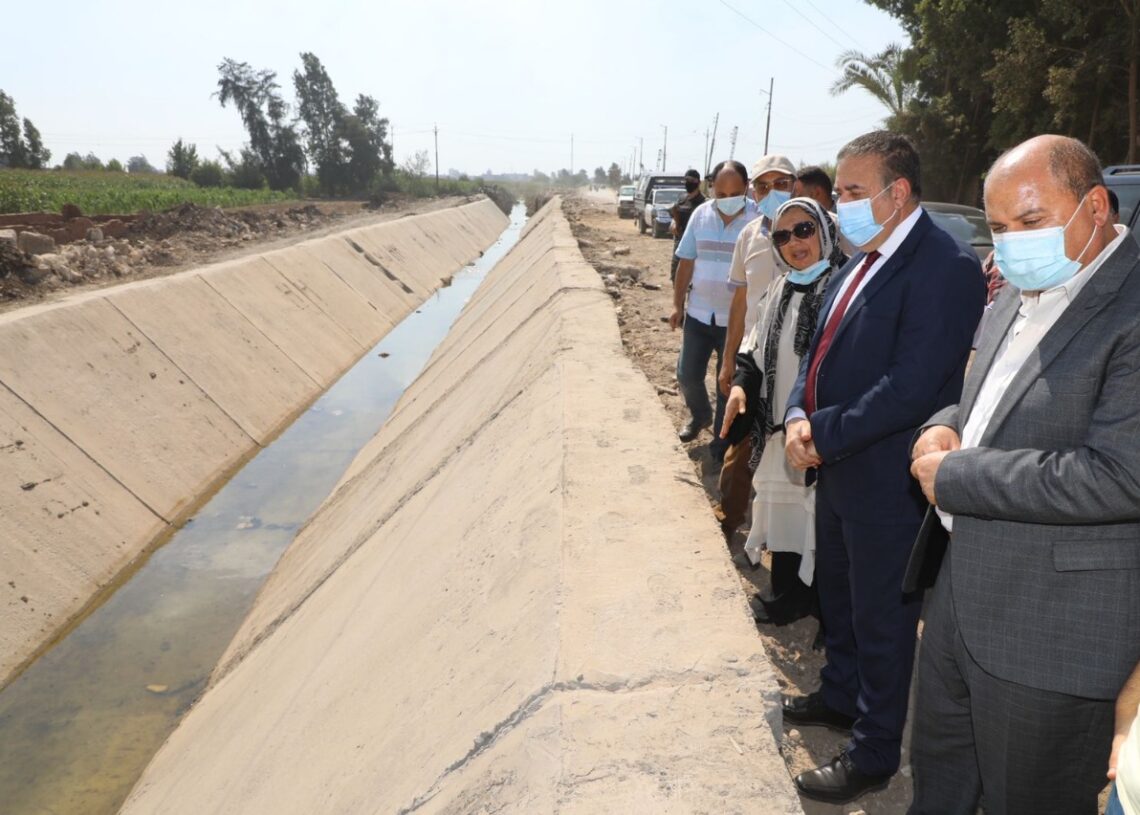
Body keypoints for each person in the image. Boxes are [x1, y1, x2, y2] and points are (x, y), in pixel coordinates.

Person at [907, 134, 1140, 815]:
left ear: (1094, 206)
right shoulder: (1018, 286)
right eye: (1000, 228)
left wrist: (958, 475)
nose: (1010, 244)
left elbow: (1120, 474)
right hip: (960, 604)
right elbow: (990, 400)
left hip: (1052, 635)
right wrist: (941, 425)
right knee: (939, 785)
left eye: (1030, 222)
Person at [782, 131, 985, 804]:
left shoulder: (942, 267)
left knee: (883, 623)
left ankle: (872, 752)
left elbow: (912, 385)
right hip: (838, 469)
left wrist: (822, 432)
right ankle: (839, 695)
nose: (838, 205)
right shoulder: (857, 261)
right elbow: (818, 354)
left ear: (897, 193)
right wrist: (795, 416)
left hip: (888, 483)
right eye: (838, 191)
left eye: (851, 192)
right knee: (839, 602)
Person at [719, 197, 846, 625]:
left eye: (804, 230)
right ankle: (788, 599)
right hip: (780, 431)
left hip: (825, 434)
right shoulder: (778, 288)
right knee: (787, 520)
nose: (794, 242)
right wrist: (740, 388)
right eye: (783, 235)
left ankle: (826, 614)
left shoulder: (845, 289)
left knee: (823, 527)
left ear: (825, 232)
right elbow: (753, 351)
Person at [713, 155, 796, 531]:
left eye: (781, 184)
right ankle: (729, 521)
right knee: (740, 447)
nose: (772, 193)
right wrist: (729, 359)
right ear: (754, 192)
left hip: (800, 361)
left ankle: (775, 537)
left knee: (790, 452)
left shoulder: (823, 230)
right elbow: (740, 301)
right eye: (764, 186)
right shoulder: (749, 236)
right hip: (755, 361)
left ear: (794, 185)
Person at [671, 160, 760, 461]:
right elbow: (686, 261)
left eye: (734, 192)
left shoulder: (758, 220)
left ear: (746, 188)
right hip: (698, 313)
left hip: (736, 322)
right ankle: (700, 416)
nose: (726, 199)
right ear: (712, 189)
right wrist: (676, 304)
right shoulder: (700, 215)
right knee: (686, 374)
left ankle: (720, 446)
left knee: (727, 383)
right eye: (720, 193)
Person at [669, 169, 706, 281]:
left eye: (691, 180)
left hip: (696, 246)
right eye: (686, 180)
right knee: (676, 276)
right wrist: (674, 223)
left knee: (693, 278)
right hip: (679, 243)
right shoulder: (682, 199)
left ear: (698, 183)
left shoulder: (704, 203)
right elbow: (674, 216)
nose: (688, 182)